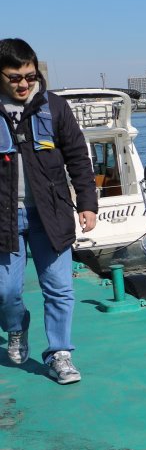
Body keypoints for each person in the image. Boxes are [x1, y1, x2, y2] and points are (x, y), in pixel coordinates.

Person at [0, 38, 97, 384]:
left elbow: (78, 158)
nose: (24, 84)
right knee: (5, 291)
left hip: (51, 214)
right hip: (5, 218)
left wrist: (87, 203)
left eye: (29, 74)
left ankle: (59, 353)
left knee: (58, 288)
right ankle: (15, 326)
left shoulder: (53, 107)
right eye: (14, 77)